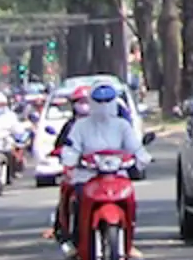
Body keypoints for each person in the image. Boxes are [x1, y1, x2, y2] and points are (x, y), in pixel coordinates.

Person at [57, 83, 151, 244]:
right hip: (87, 175)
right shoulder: (80, 126)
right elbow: (71, 147)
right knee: (78, 200)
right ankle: (76, 239)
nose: (103, 106)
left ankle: (129, 239)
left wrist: (142, 158)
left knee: (130, 200)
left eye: (108, 100)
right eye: (99, 101)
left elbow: (134, 146)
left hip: (117, 175)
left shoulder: (122, 126)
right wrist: (70, 161)